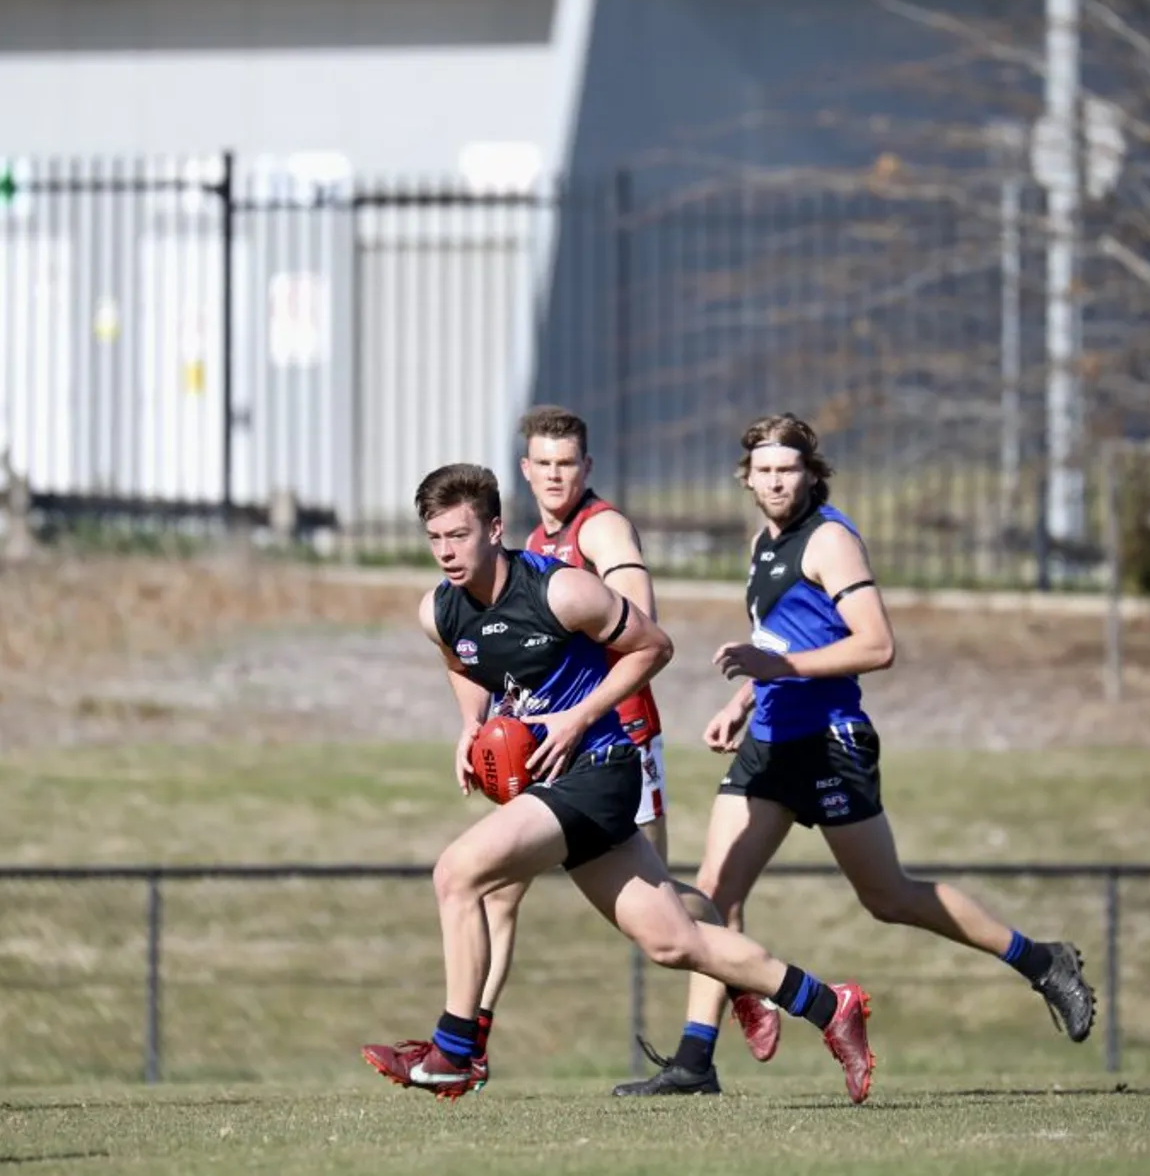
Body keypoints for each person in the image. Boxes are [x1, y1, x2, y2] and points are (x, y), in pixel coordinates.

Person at [360, 463, 875, 1104]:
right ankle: (832, 1006)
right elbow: (462, 659)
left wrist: (578, 718)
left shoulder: (562, 592)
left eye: (459, 536)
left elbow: (653, 647)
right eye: (435, 538)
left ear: (495, 528)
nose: (446, 552)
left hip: (600, 766)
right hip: (553, 779)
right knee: (673, 941)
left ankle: (456, 1051)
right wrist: (472, 724)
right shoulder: (439, 610)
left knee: (457, 873)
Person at [616, 414, 1095, 1097]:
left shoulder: (831, 541)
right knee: (716, 896)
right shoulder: (762, 543)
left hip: (831, 743)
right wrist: (745, 699)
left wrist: (778, 667)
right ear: (746, 476)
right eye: (764, 470)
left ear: (811, 472)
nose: (776, 481)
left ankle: (1041, 959)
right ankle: (696, 1061)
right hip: (770, 744)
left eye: (789, 469)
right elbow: (779, 637)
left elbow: (876, 644)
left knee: (889, 896)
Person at [473, 405, 711, 1069]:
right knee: (495, 883)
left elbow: (641, 623)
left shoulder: (602, 529)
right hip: (552, 745)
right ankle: (471, 1040)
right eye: (543, 463)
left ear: (587, 467)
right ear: (525, 469)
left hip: (617, 738)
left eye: (567, 463)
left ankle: (739, 972)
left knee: (665, 918)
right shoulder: (531, 542)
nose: (555, 475)